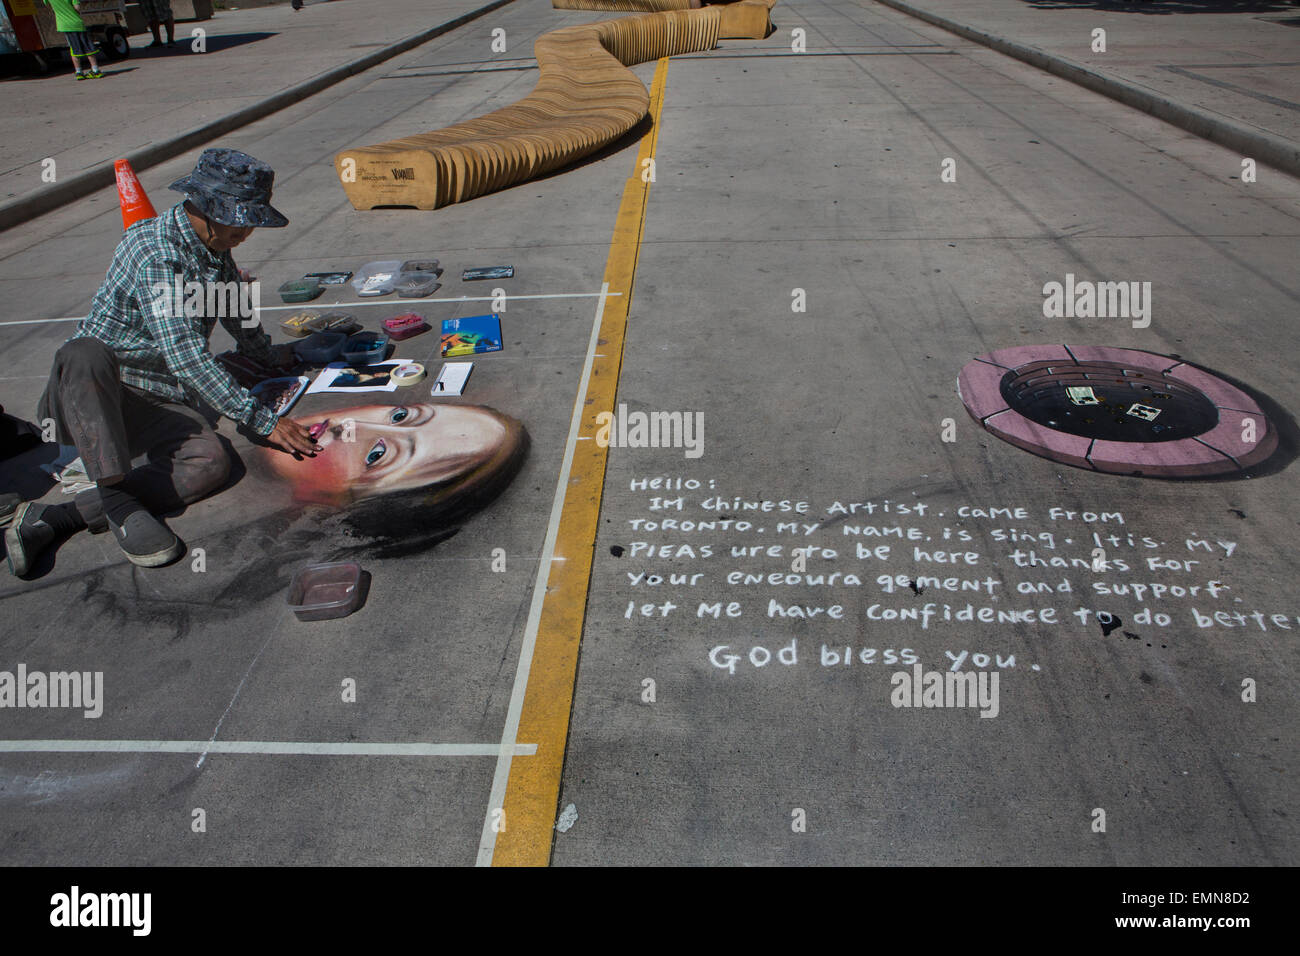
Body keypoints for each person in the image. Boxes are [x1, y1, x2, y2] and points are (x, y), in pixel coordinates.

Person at [4, 148, 319, 578]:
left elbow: (240, 323)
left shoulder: (214, 251)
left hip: (154, 400)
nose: (247, 232)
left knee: (211, 462)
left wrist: (278, 356)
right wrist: (262, 421)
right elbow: (186, 355)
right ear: (208, 209)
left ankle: (55, 518)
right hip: (88, 401)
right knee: (85, 353)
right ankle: (116, 501)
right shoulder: (154, 250)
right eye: (241, 220)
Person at [42, 0, 103, 79]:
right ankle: (95, 70)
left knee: (73, 49)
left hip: (64, 25)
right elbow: (77, 8)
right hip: (77, 23)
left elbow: (47, 5)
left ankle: (79, 72)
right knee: (88, 48)